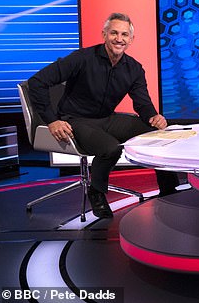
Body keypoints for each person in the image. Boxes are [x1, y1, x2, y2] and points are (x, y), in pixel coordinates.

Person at [27, 12, 180, 219]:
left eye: (124, 34)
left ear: (131, 39)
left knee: (158, 135)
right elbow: (37, 82)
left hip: (107, 119)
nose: (119, 38)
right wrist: (52, 120)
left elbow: (142, 102)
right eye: (114, 33)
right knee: (110, 149)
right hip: (75, 120)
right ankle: (96, 192)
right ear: (104, 34)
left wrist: (154, 117)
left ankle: (169, 190)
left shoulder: (134, 68)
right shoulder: (81, 58)